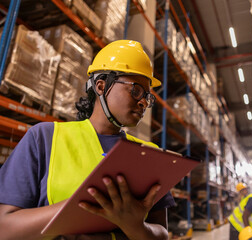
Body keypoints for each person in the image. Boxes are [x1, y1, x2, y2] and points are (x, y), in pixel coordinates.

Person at [0, 40, 175, 240]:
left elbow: (162, 233)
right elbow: (4, 228)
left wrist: (136, 227)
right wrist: (80, 211)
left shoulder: (149, 154)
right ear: (101, 86)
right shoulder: (45, 138)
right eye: (135, 90)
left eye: (147, 96)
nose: (143, 101)